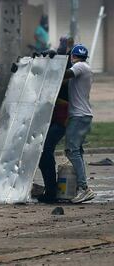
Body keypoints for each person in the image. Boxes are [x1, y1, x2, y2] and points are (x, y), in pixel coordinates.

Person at [37, 37, 74, 203]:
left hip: (62, 121)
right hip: (52, 120)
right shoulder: (54, 76)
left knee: (45, 152)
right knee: (43, 154)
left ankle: (51, 192)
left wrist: (61, 49)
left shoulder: (67, 74)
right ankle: (50, 190)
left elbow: (62, 61)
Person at [61, 44, 95, 203]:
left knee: (71, 150)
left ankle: (84, 188)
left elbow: (67, 73)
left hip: (79, 116)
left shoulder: (80, 67)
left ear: (73, 57)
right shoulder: (86, 68)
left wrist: (57, 63)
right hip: (83, 116)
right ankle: (78, 185)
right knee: (77, 151)